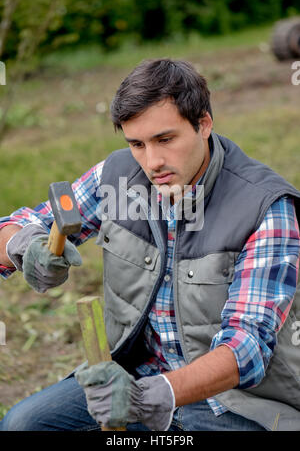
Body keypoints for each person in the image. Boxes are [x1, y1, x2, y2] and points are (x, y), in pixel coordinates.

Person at [0, 59, 299, 432]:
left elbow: (246, 349)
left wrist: (149, 398)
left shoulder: (265, 207)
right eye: (137, 144)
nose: (152, 162)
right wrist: (24, 246)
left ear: (203, 124)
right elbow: (18, 225)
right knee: (22, 425)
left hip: (235, 405)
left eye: (165, 139)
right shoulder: (119, 176)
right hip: (133, 378)